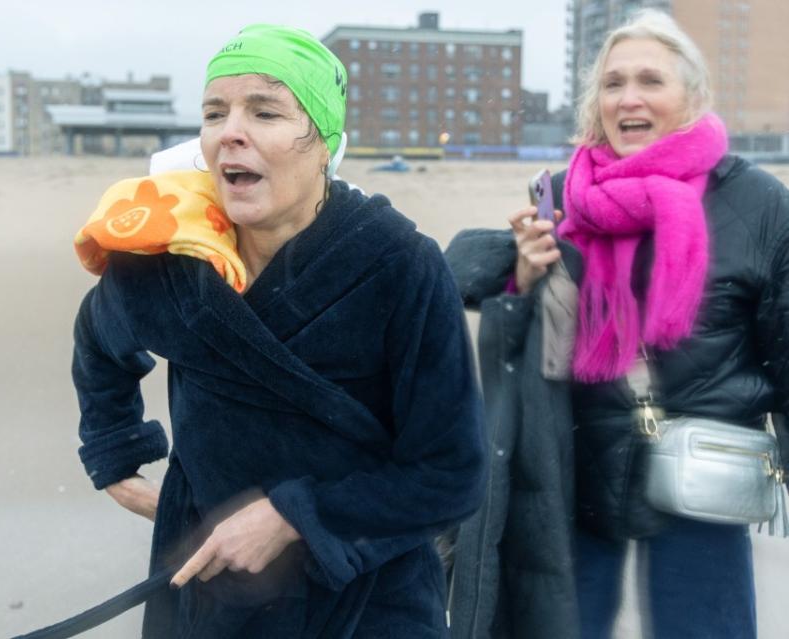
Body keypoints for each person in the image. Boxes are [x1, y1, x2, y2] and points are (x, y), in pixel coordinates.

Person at [71, 24, 487, 638]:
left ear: (325, 144)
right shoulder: (172, 265)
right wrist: (115, 453)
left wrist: (294, 517)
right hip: (213, 596)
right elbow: (98, 339)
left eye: (264, 111)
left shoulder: (397, 264)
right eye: (215, 113)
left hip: (369, 603)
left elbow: (451, 476)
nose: (230, 131)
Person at [444, 10, 789, 639]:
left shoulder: (757, 201)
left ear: (692, 97)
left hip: (705, 469)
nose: (628, 98)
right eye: (613, 83)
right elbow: (527, 345)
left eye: (651, 81)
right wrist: (521, 278)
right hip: (579, 466)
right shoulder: (557, 195)